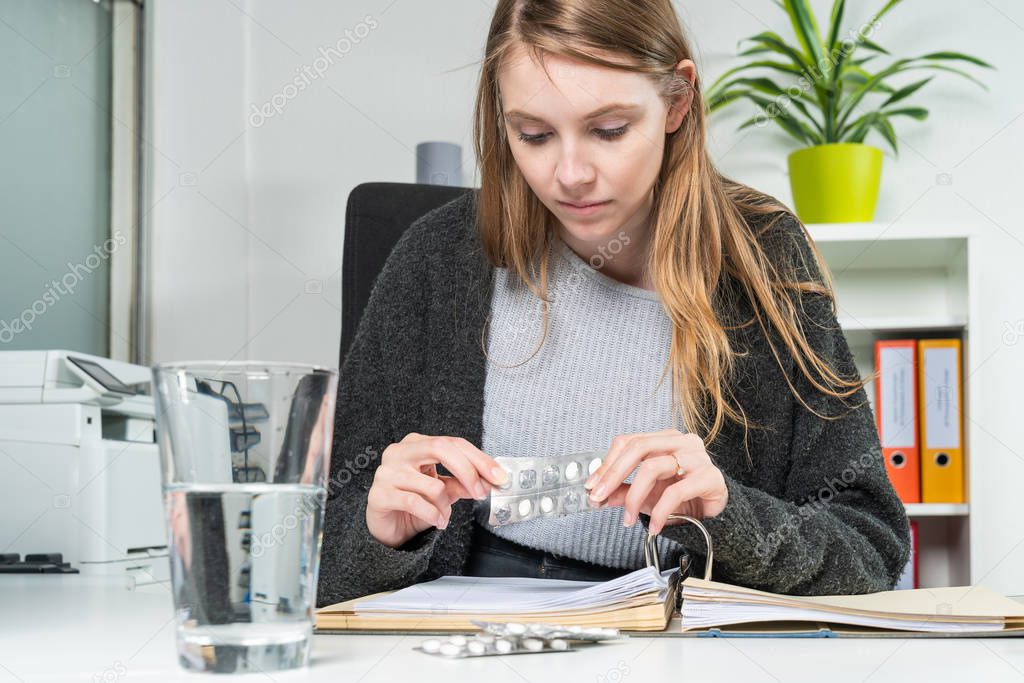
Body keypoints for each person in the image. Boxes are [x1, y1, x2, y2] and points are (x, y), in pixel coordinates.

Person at [316, 0, 911, 608]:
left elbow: (871, 551)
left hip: (677, 622)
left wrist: (731, 515)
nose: (570, 174)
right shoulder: (436, 259)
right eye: (534, 134)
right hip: (469, 624)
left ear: (677, 102)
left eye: (608, 130)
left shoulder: (762, 255)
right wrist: (376, 533)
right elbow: (310, 552)